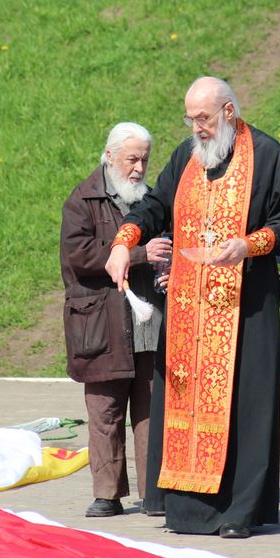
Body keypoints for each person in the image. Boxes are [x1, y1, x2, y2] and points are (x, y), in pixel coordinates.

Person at [105, 77, 280, 538]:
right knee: (188, 408)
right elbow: (154, 207)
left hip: (247, 304)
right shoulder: (187, 156)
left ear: (229, 113)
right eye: (190, 119)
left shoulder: (268, 155)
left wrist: (249, 245)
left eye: (204, 119)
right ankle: (191, 511)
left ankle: (240, 512)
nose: (197, 128)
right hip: (191, 307)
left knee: (243, 409)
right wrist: (123, 241)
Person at [60, 122, 173, 518]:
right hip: (101, 324)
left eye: (144, 159)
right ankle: (107, 495)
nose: (140, 168)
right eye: (132, 159)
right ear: (109, 157)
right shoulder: (83, 199)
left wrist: (168, 265)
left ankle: (154, 493)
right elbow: (81, 257)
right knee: (105, 411)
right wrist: (141, 254)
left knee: (149, 410)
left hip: (147, 324)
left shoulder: (153, 201)